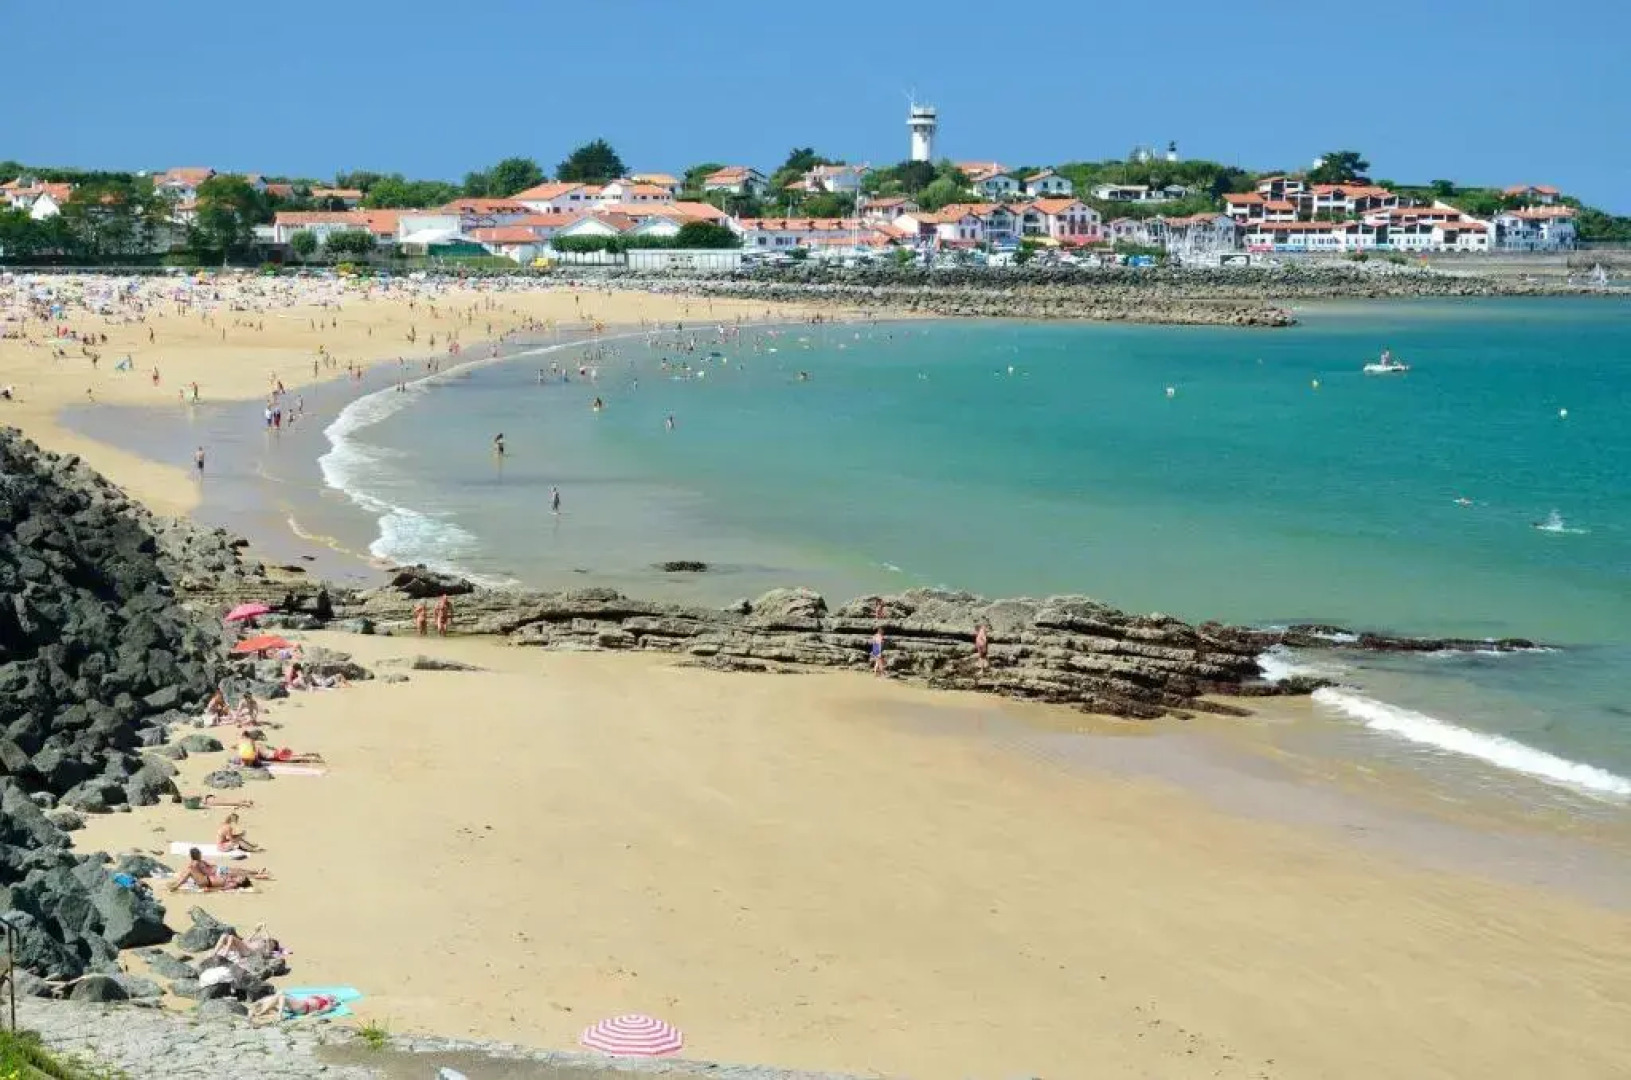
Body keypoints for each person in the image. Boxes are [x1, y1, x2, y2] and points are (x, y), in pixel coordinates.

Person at [168, 848, 269, 892]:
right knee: (190, 871)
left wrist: (211, 889)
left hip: (208, 880)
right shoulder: (195, 864)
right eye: (199, 853)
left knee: (238, 869)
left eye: (241, 878)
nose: (239, 878)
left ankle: (257, 873)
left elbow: (222, 889)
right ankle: (257, 874)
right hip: (207, 879)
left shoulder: (233, 883)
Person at [248, 991, 339, 1025]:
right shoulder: (320, 996)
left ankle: (274, 1015)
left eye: (332, 997)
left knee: (282, 996)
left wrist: (332, 1004)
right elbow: (312, 995)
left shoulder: (329, 1004)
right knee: (279, 994)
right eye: (330, 995)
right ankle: (259, 1008)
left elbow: (321, 1012)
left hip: (304, 1007)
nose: (330, 996)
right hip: (300, 1004)